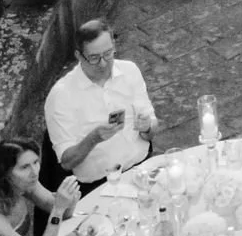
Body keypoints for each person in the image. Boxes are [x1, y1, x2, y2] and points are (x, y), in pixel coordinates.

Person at [43, 17, 157, 188]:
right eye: (94, 58)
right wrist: (93, 139)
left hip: (142, 166)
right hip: (100, 184)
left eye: (108, 53)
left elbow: (151, 130)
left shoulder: (129, 71)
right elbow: (66, 162)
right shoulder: (61, 95)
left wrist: (147, 127)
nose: (103, 63)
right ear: (78, 56)